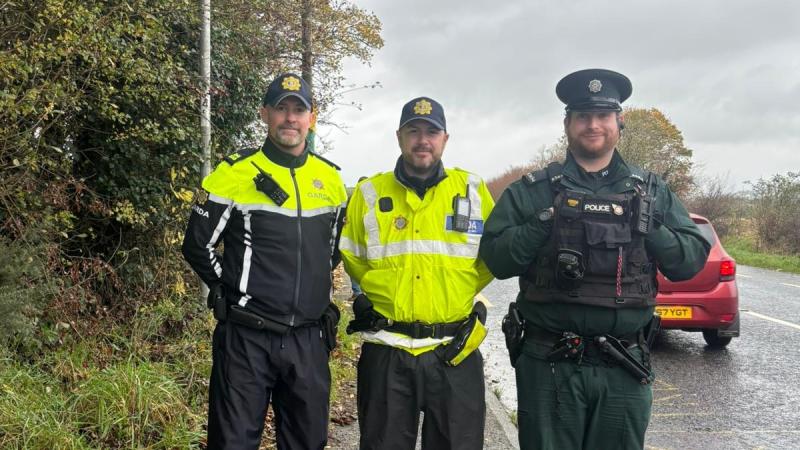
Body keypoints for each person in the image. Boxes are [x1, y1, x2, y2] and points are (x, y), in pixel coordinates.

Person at [479, 69, 710, 450]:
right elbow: (498, 261)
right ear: (567, 124)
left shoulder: (651, 191)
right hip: (548, 364)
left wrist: (647, 225)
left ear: (619, 122)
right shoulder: (534, 191)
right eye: (583, 116)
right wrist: (546, 221)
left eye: (603, 116)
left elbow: (688, 262)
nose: (593, 125)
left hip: (623, 364)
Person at [182, 73, 348, 450]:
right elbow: (197, 246)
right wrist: (234, 291)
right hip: (246, 340)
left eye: (298, 110)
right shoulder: (232, 174)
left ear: (312, 118)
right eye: (281, 108)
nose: (290, 118)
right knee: (232, 443)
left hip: (309, 339)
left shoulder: (332, 179)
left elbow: (333, 250)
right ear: (264, 114)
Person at [339, 97, 495, 450]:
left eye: (431, 131)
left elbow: (488, 260)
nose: (422, 140)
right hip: (387, 349)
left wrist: (459, 292)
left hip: (453, 351)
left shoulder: (472, 190)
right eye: (413, 130)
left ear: (445, 139)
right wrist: (380, 294)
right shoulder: (369, 193)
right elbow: (352, 257)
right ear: (399, 136)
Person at [349, 176, 369, 298]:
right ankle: (359, 292)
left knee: (356, 264)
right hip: (362, 237)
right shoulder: (374, 199)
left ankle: (358, 293)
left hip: (359, 238)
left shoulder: (353, 199)